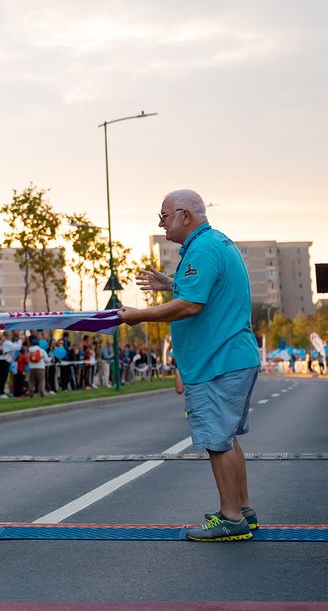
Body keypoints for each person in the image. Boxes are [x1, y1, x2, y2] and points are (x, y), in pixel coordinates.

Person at [119, 190, 261, 542]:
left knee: (217, 440)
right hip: (230, 358)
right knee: (226, 438)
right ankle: (242, 510)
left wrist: (139, 316)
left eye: (164, 216)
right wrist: (170, 283)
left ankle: (231, 519)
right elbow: (205, 291)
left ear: (185, 215)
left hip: (218, 361)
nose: (160, 223)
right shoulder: (215, 243)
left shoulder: (203, 248)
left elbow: (190, 306)